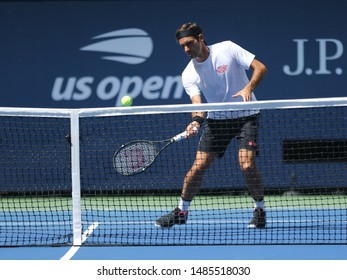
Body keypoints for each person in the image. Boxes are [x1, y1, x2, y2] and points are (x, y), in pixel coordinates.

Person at [155, 22, 267, 229]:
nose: (186, 49)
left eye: (189, 43)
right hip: (217, 121)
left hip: (246, 116)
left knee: (247, 164)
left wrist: (248, 88)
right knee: (198, 167)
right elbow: (198, 104)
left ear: (200, 38)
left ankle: (259, 209)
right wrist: (196, 121)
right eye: (182, 46)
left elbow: (260, 67)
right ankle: (181, 211)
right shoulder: (188, 74)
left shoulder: (227, 48)